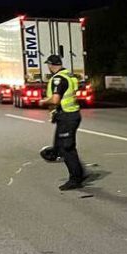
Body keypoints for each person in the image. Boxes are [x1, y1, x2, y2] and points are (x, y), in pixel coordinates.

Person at [43, 54, 87, 190]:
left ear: (51, 65)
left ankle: (75, 179)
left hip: (67, 117)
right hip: (70, 115)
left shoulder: (58, 79)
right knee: (61, 146)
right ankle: (77, 171)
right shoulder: (69, 75)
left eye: (48, 65)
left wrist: (43, 101)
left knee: (67, 148)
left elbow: (55, 99)